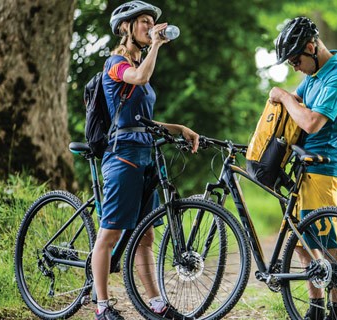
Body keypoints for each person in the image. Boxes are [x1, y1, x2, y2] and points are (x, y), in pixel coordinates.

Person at [91, 1, 200, 319]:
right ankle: (101, 307)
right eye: (143, 21)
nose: (151, 26)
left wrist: (178, 128)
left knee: (146, 234)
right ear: (125, 27)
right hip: (122, 156)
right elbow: (137, 77)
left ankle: (155, 303)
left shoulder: (142, 69)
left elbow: (142, 121)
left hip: (145, 155)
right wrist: (155, 45)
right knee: (109, 234)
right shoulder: (115, 64)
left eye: (152, 22)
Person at [269, 17, 337, 320]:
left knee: (327, 245)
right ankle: (316, 308)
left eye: (295, 59)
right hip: (304, 166)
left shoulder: (336, 79)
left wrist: (282, 95)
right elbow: (298, 101)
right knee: (303, 243)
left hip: (322, 167)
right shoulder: (315, 74)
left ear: (311, 47)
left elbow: (310, 121)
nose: (294, 67)